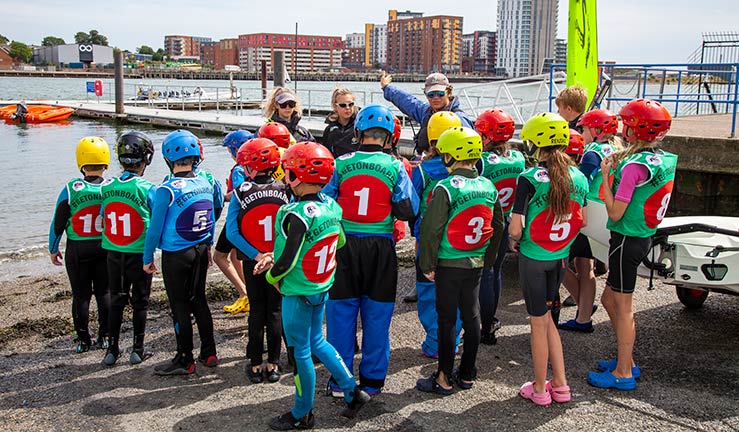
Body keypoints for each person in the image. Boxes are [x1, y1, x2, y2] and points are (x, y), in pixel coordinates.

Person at [253, 142, 370, 430]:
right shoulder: (332, 207)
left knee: (301, 352)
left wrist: (272, 277)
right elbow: (338, 242)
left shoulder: (295, 213)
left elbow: (288, 261)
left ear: (294, 176)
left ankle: (301, 413)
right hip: (321, 286)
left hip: (297, 291)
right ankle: (353, 392)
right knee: (318, 341)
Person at [323, 104, 418, 397]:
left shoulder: (340, 162)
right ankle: (374, 382)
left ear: (359, 132)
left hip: (344, 246)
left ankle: (340, 381)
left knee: (340, 313)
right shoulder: (396, 165)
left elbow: (325, 203)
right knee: (377, 315)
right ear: (389, 137)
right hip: (380, 248)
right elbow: (408, 209)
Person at [587, 99, 677, 391]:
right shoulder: (661, 159)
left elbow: (614, 212)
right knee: (608, 300)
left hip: (626, 238)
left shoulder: (633, 168)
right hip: (642, 235)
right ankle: (626, 359)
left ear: (633, 128)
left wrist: (605, 174)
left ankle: (624, 372)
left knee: (623, 307)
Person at [416, 126, 503, 395]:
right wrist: (487, 260)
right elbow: (497, 226)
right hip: (475, 262)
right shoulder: (488, 186)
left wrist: (427, 264)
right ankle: (467, 374)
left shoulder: (446, 187)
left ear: (450, 157)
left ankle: (443, 377)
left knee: (446, 320)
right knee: (472, 316)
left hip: (449, 262)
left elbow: (432, 229)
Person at [509, 112, 588, 406]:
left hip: (534, 258)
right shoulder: (578, 176)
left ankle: (540, 388)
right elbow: (583, 220)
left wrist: (515, 240)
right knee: (549, 321)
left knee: (538, 324)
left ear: (535, 145)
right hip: (560, 258)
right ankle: (562, 384)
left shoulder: (529, 179)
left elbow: (516, 228)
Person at [143, 129, 220, 376]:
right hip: (199, 249)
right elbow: (212, 214)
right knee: (199, 301)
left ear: (168, 159)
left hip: (176, 254)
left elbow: (154, 230)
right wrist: (208, 244)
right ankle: (209, 352)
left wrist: (147, 258)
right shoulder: (207, 182)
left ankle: (184, 358)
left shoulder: (166, 189)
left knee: (179, 306)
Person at [226, 137, 290, 384]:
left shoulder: (241, 192)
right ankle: (274, 364)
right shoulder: (286, 191)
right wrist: (272, 254)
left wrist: (256, 255)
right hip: (277, 260)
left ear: (250, 167)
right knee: (275, 311)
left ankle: (254, 364)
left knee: (256, 311)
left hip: (253, 261)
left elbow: (232, 232)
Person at [559, 114, 620, 333]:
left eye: (584, 130)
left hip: (587, 214)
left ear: (596, 131)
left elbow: (577, 184)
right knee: (587, 266)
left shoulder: (592, 154)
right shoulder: (616, 150)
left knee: (558, 262)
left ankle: (583, 308)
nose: (581, 134)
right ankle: (584, 315)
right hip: (603, 213)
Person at [49, 137, 111, 353]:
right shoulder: (111, 188)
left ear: (80, 161)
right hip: (105, 247)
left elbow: (58, 222)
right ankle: (105, 336)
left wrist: (53, 248)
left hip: (77, 249)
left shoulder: (70, 189)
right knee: (104, 292)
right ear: (106, 161)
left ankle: (83, 340)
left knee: (81, 294)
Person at [101, 131, 157, 366]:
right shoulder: (147, 188)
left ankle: (112, 349)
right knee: (140, 301)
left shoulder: (106, 186)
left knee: (117, 299)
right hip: (138, 252)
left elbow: (104, 216)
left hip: (113, 252)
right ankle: (138, 348)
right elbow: (156, 220)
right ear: (146, 159)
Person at [411, 111, 462, 354]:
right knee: (455, 292)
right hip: (457, 240)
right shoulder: (466, 169)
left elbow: (411, 204)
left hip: (427, 240)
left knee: (428, 293)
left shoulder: (421, 171)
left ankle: (434, 341)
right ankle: (454, 338)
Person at [474, 108, 526, 345]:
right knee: (495, 272)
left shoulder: (482, 161)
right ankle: (491, 320)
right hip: (505, 221)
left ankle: (483, 325)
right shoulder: (518, 158)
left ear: (485, 136)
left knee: (483, 274)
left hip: (485, 223)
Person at [381, 71, 474, 156]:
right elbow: (407, 101)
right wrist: (387, 88)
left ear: (449, 92)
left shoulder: (459, 118)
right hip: (425, 164)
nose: (435, 97)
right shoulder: (426, 112)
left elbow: (471, 146)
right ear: (426, 95)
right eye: (431, 94)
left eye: (440, 93)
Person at [218, 130, 252, 315]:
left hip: (236, 218)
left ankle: (244, 292)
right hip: (249, 219)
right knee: (234, 256)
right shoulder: (252, 166)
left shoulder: (239, 169)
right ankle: (247, 292)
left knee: (220, 257)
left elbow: (239, 192)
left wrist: (221, 197)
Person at [322, 88, 359, 157]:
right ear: (335, 106)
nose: (347, 108)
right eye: (343, 105)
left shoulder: (360, 127)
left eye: (350, 104)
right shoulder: (329, 130)